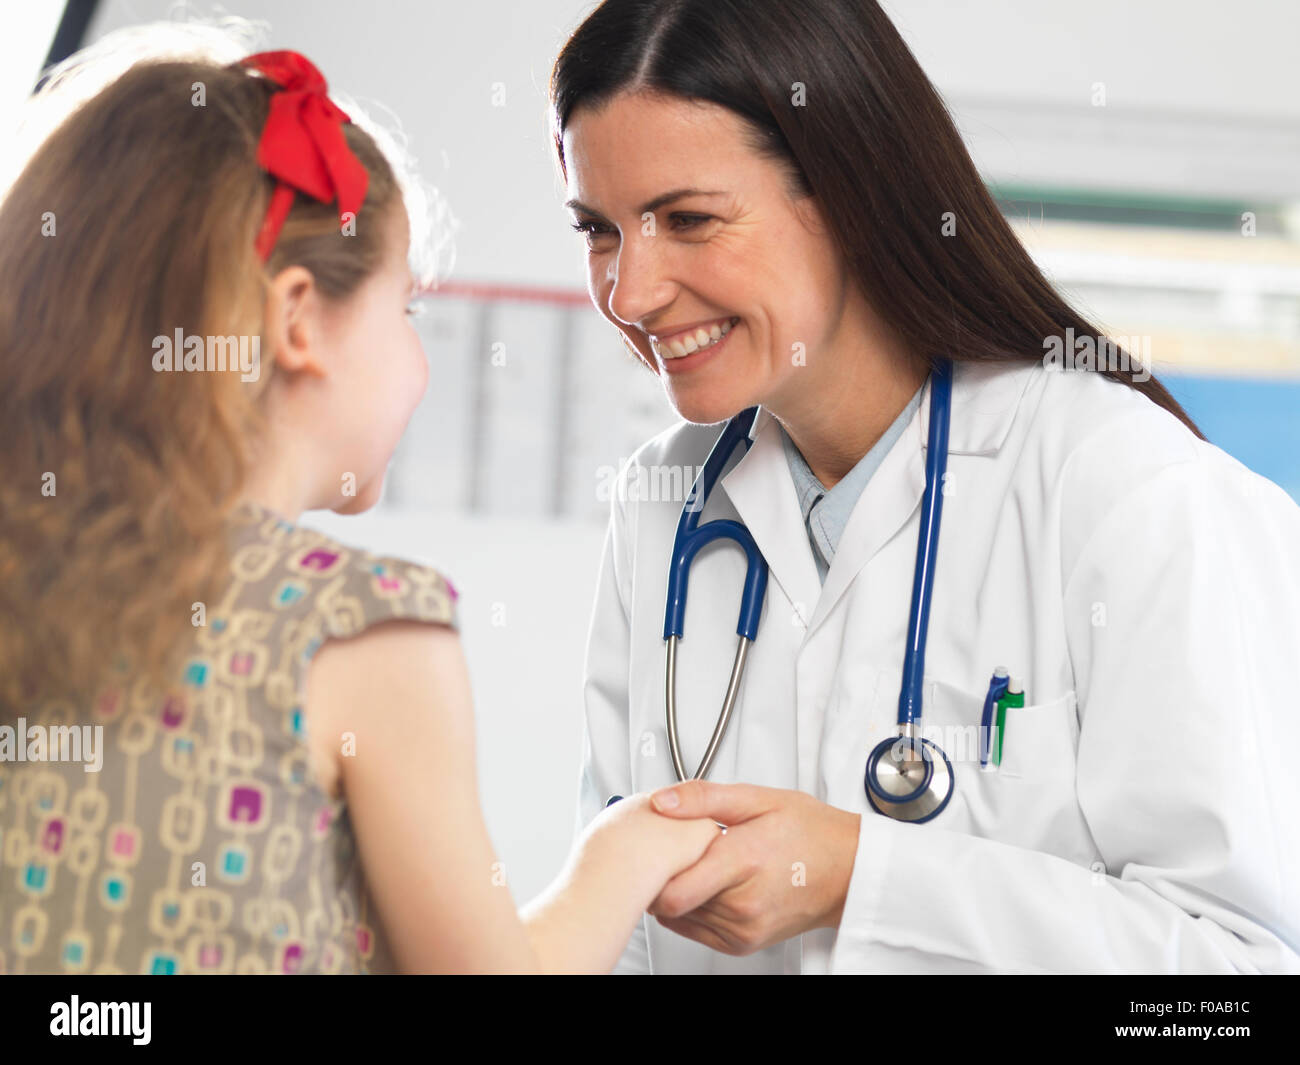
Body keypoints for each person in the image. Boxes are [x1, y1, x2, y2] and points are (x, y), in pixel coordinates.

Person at [555, 0, 1300, 973]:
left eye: (688, 220)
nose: (629, 291)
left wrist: (863, 876)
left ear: (852, 193)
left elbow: (1234, 985)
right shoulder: (665, 505)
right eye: (599, 230)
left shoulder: (1125, 488)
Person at [0, 28, 718, 975]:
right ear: (299, 320)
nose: (420, 357)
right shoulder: (357, 627)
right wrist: (627, 850)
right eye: (407, 309)